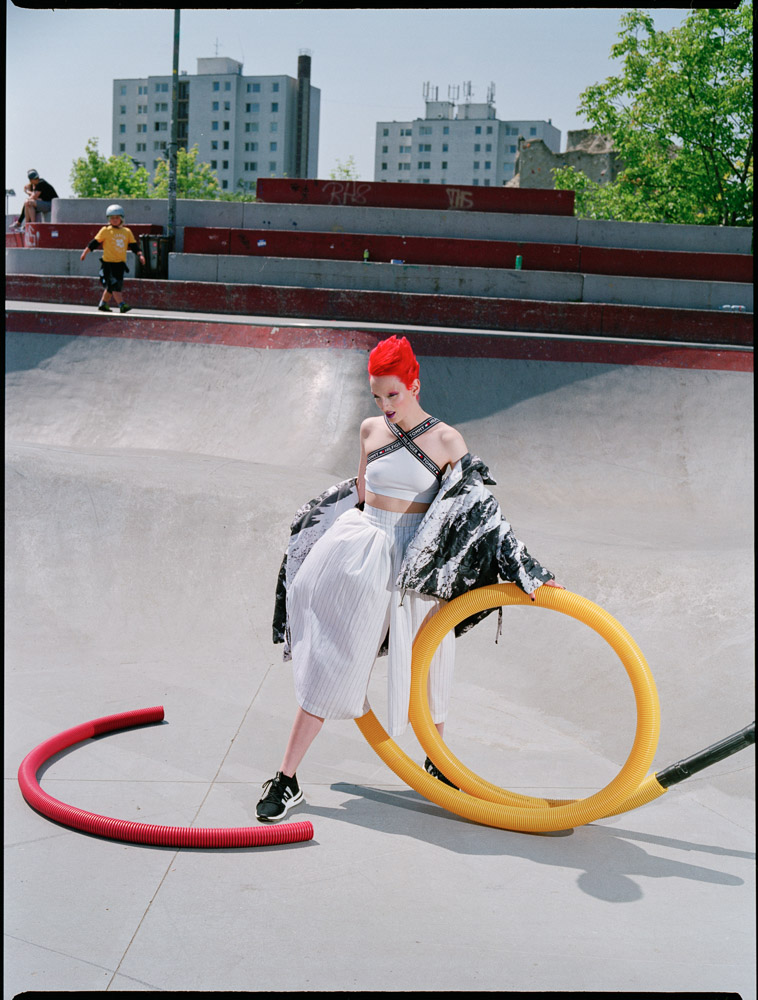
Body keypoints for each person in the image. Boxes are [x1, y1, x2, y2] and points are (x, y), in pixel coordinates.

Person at [259, 335, 564, 822]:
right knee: (332, 660)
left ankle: (437, 764)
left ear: (414, 386)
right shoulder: (369, 430)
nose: (385, 405)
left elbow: (481, 511)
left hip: (417, 562)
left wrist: (529, 571)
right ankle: (286, 777)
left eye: (393, 394)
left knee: (430, 661)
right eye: (377, 396)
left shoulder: (447, 440)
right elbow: (361, 493)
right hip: (362, 551)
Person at [80, 204, 145, 313]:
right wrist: (85, 253)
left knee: (111, 286)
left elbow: (134, 246)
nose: (114, 220)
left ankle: (103, 304)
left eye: (117, 217)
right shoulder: (105, 230)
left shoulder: (127, 232)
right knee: (114, 284)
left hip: (120, 264)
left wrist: (140, 255)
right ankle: (122, 304)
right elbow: (94, 243)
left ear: (121, 218)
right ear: (108, 219)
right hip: (108, 264)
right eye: (112, 218)